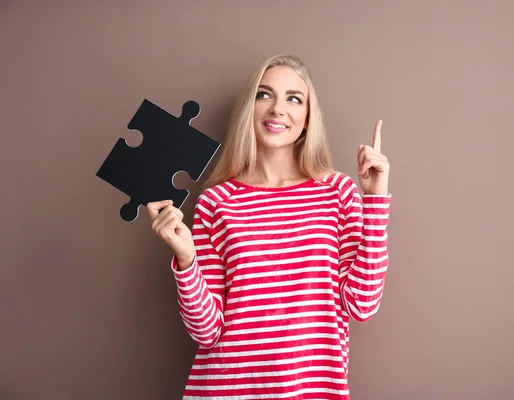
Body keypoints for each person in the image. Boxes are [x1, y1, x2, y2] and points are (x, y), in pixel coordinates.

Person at [147, 54, 392, 400]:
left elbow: (361, 305)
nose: (278, 108)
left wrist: (375, 202)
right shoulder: (216, 202)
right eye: (265, 95)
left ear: (307, 119)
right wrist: (186, 260)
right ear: (250, 108)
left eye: (294, 98)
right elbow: (207, 332)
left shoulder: (337, 192)